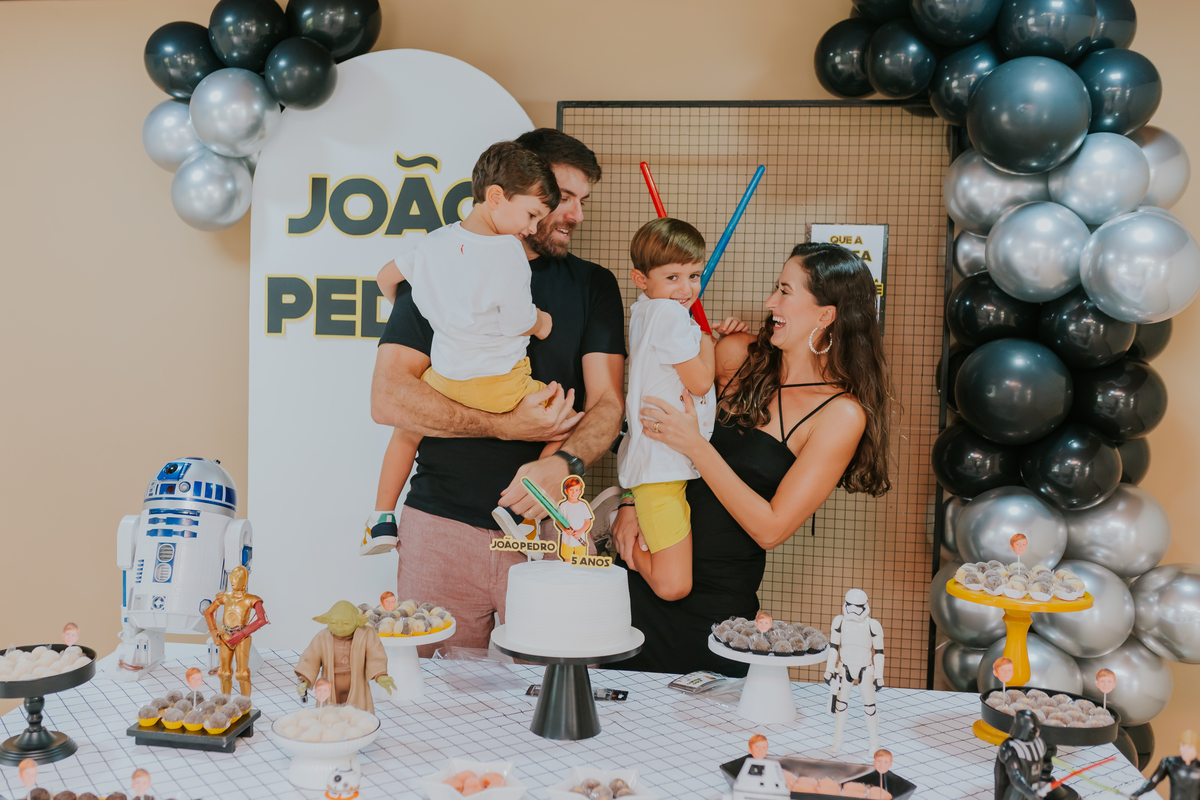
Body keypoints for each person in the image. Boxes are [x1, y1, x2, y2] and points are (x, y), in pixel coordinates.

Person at [370, 129, 625, 653]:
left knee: (554, 700)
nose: (574, 215)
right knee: (434, 705)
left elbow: (608, 405)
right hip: (440, 527)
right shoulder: (442, 265)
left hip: (550, 531)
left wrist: (563, 465)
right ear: (510, 192)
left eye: (582, 201)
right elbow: (389, 397)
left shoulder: (593, 286)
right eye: (563, 198)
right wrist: (507, 426)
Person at [612, 243, 892, 676]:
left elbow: (770, 529)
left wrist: (698, 448)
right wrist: (630, 500)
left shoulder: (840, 414)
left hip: (713, 605)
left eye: (784, 291)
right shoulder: (738, 355)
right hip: (643, 567)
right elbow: (649, 413)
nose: (769, 303)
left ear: (826, 315)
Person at [361, 141, 560, 555]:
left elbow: (385, 278)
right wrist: (543, 323)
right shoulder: (508, 252)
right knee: (562, 417)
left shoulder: (434, 243)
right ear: (496, 197)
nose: (532, 228)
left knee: (407, 430)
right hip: (501, 385)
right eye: (531, 215)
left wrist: (427, 306)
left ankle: (380, 518)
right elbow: (518, 320)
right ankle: (522, 518)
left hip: (446, 379)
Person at [615, 218, 722, 600]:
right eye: (672, 277)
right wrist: (708, 342)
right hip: (661, 467)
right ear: (640, 278)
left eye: (694, 275)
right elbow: (699, 382)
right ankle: (619, 538)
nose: (687, 289)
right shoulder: (670, 314)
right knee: (674, 585)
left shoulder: (645, 311)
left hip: (660, 464)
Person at [1132, 729, 1200, 800]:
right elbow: (1153, 781)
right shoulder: (1170, 762)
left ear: (1196, 749)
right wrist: (1136, 793)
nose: (1185, 751)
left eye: (1190, 747)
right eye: (1183, 746)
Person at [555, 475, 594, 561]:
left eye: (576, 490)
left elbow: (587, 522)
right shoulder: (563, 505)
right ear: (566, 491)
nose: (574, 493)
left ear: (580, 491)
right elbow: (559, 521)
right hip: (566, 540)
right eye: (571, 490)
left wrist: (580, 532)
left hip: (580, 540)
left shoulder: (583, 505)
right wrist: (565, 530)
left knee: (580, 561)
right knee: (567, 561)